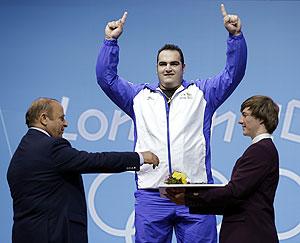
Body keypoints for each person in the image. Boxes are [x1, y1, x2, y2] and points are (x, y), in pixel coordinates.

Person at [96, 4, 247, 243]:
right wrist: (109, 42)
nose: (168, 68)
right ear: (156, 68)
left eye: (174, 63)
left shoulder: (203, 94)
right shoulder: (138, 97)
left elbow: (232, 74)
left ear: (183, 67)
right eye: (163, 64)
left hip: (196, 193)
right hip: (151, 194)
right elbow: (107, 79)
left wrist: (235, 37)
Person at [7, 97, 159, 243]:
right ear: (44, 118)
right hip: (54, 236)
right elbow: (95, 161)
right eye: (61, 118)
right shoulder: (51, 147)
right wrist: (139, 157)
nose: (65, 123)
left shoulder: (19, 155)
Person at [166, 95, 280, 243]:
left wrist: (189, 197)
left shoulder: (260, 151)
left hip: (249, 235)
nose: (240, 121)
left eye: (245, 115)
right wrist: (189, 199)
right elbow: (238, 200)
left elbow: (234, 193)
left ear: (261, 118)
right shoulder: (263, 149)